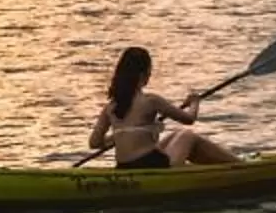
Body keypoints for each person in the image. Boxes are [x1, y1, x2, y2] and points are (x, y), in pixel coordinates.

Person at [91, 46, 234, 170]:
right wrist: (194, 103)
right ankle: (239, 165)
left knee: (176, 134)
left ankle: (223, 165)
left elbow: (94, 143)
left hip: (124, 166)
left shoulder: (110, 107)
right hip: (152, 165)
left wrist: (123, 134)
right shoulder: (151, 101)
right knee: (187, 134)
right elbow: (189, 119)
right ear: (143, 75)